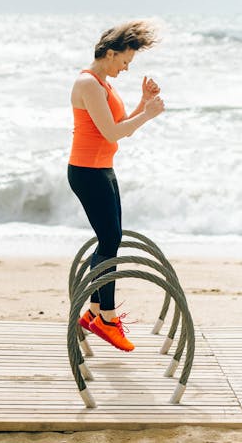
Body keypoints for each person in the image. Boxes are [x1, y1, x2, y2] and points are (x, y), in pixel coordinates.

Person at [67, 20, 165, 352]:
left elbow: (120, 126)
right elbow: (111, 133)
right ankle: (106, 318)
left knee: (111, 239)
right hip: (87, 172)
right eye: (124, 62)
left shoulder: (103, 84)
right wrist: (149, 114)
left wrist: (142, 104)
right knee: (110, 241)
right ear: (110, 53)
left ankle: (94, 312)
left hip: (102, 169)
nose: (125, 68)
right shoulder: (88, 84)